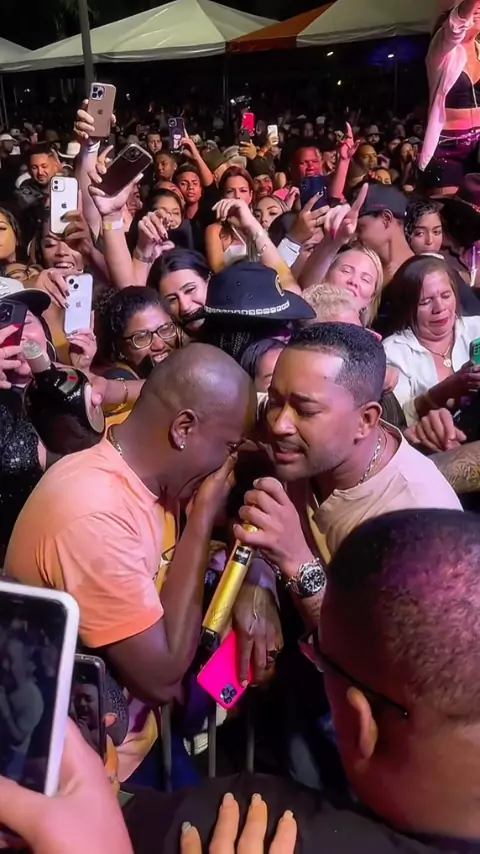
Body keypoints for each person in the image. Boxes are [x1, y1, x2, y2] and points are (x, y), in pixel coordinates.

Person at [5, 344, 257, 785]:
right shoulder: (93, 514)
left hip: (142, 737)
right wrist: (200, 518)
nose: (226, 465)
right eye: (228, 448)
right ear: (183, 428)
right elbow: (160, 678)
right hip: (93, 773)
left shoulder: (144, 455)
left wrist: (257, 585)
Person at [234, 324, 461, 605]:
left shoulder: (417, 529)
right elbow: (214, 399)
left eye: (305, 411)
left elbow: (370, 636)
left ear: (365, 420)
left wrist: (298, 563)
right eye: (275, 402)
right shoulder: (293, 419)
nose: (279, 425)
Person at [382, 255, 480, 424]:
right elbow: (397, 420)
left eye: (446, 295)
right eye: (426, 302)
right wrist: (444, 390)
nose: (439, 308)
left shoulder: (477, 326)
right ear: (407, 307)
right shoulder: (393, 352)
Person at [420, 0, 480, 192]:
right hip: (449, 147)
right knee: (451, 208)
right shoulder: (441, 51)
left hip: (479, 147)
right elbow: (456, 26)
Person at [95, 286, 179, 380]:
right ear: (120, 348)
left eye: (165, 329)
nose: (159, 345)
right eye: (142, 337)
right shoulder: (117, 380)